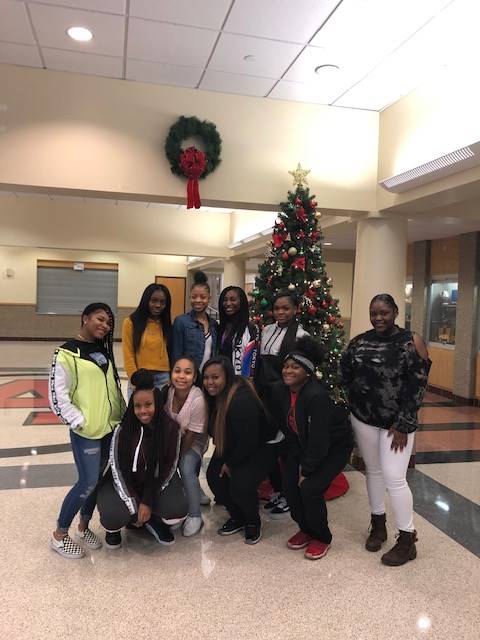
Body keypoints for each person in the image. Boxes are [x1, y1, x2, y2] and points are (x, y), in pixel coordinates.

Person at [341, 293, 430, 566]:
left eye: (384, 312)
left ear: (395, 313)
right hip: (365, 419)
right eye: (374, 313)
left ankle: (407, 538)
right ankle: (378, 524)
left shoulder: (410, 341)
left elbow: (418, 385)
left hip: (397, 425)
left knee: (394, 476)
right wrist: (354, 403)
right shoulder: (359, 342)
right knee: (375, 471)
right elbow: (345, 374)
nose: (379, 318)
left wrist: (404, 422)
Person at [49, 302, 125, 559]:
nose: (104, 325)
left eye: (108, 322)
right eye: (99, 319)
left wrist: (119, 416)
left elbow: (110, 388)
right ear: (85, 318)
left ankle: (83, 526)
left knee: (96, 481)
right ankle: (59, 535)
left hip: (108, 428)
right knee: (86, 482)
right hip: (87, 431)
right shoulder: (67, 352)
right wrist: (78, 420)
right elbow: (57, 396)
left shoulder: (101, 351)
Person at [271, 335, 353, 560]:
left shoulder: (316, 397)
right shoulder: (281, 391)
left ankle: (322, 537)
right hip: (301, 445)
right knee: (289, 487)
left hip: (333, 448)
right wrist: (293, 462)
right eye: (286, 366)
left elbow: (319, 440)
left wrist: (306, 471)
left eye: (294, 367)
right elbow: (288, 427)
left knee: (310, 489)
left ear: (307, 372)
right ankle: (306, 529)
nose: (288, 371)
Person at [96, 369, 187, 548]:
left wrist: (147, 501)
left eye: (148, 404)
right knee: (113, 515)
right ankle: (115, 528)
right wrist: (134, 504)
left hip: (153, 483)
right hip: (123, 483)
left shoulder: (171, 429)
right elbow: (117, 471)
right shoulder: (123, 430)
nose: (143, 411)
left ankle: (152, 520)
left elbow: (169, 468)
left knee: (176, 509)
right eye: (137, 406)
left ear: (157, 404)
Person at [203, 356, 274, 545]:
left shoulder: (241, 400)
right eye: (206, 377)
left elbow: (249, 441)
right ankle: (238, 517)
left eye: (215, 377)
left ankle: (252, 521)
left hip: (260, 448)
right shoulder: (216, 396)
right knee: (213, 476)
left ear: (227, 376)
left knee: (241, 484)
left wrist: (230, 463)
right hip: (234, 445)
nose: (210, 382)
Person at [255, 291, 307, 518]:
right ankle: (278, 489)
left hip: (285, 397)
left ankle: (290, 494)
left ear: (295, 309)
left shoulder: (301, 335)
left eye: (286, 308)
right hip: (264, 396)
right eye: (277, 308)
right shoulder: (266, 330)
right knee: (270, 445)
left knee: (287, 447)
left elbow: (301, 370)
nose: (281, 312)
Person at [163, 356, 208, 537]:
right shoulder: (167, 392)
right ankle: (182, 501)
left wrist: (176, 456)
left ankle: (195, 515)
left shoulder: (198, 400)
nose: (182, 376)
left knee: (185, 467)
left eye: (188, 372)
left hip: (193, 441)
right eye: (177, 371)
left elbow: (192, 435)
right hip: (174, 439)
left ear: (195, 376)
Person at [122, 283, 172, 394]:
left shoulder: (167, 324)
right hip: (140, 378)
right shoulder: (130, 322)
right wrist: (134, 378)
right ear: (146, 301)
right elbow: (128, 354)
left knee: (161, 412)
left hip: (163, 379)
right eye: (154, 301)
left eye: (162, 302)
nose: (158, 305)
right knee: (138, 411)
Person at [171, 271, 218, 371]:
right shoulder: (181, 322)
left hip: (208, 377)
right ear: (189, 298)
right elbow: (176, 353)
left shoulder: (214, 324)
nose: (198, 300)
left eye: (203, 297)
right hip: (188, 376)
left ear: (209, 299)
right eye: (194, 297)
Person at [218, 286, 259, 377]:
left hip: (241, 382)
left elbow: (252, 361)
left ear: (242, 302)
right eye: (225, 300)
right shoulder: (219, 328)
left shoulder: (251, 329)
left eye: (233, 299)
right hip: (220, 381)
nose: (228, 303)